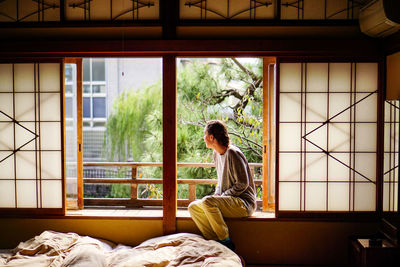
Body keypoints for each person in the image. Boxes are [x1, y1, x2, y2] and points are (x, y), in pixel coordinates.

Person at [188, 120, 257, 251]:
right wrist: (217, 194)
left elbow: (243, 183)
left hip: (243, 203)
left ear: (212, 137)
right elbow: (221, 180)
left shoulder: (233, 153)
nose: (203, 138)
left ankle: (226, 241)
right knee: (193, 207)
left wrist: (222, 196)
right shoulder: (216, 154)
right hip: (229, 200)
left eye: (205, 135)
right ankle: (214, 241)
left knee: (208, 202)